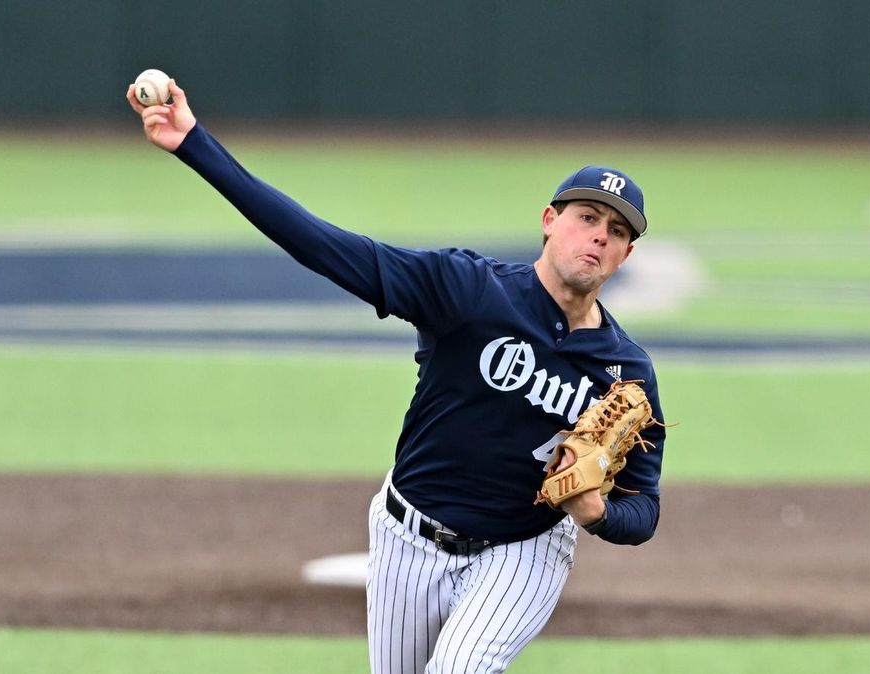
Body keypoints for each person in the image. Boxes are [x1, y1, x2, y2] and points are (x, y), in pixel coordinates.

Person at [126, 80, 666, 673]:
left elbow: (643, 507)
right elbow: (323, 245)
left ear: (626, 255)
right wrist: (194, 144)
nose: (599, 235)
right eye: (587, 216)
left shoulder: (627, 372)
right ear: (548, 221)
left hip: (523, 552)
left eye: (617, 232)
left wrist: (599, 515)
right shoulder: (467, 290)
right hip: (406, 538)